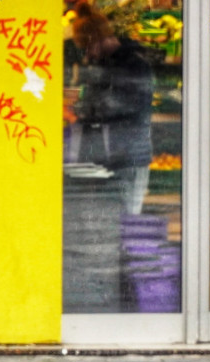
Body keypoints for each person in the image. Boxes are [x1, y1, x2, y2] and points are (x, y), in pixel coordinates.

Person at [71, 1, 153, 215]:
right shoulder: (107, 64)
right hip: (110, 156)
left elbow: (131, 106)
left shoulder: (135, 64)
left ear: (97, 39)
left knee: (127, 218)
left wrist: (93, 107)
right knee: (111, 220)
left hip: (130, 156)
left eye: (87, 47)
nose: (88, 55)